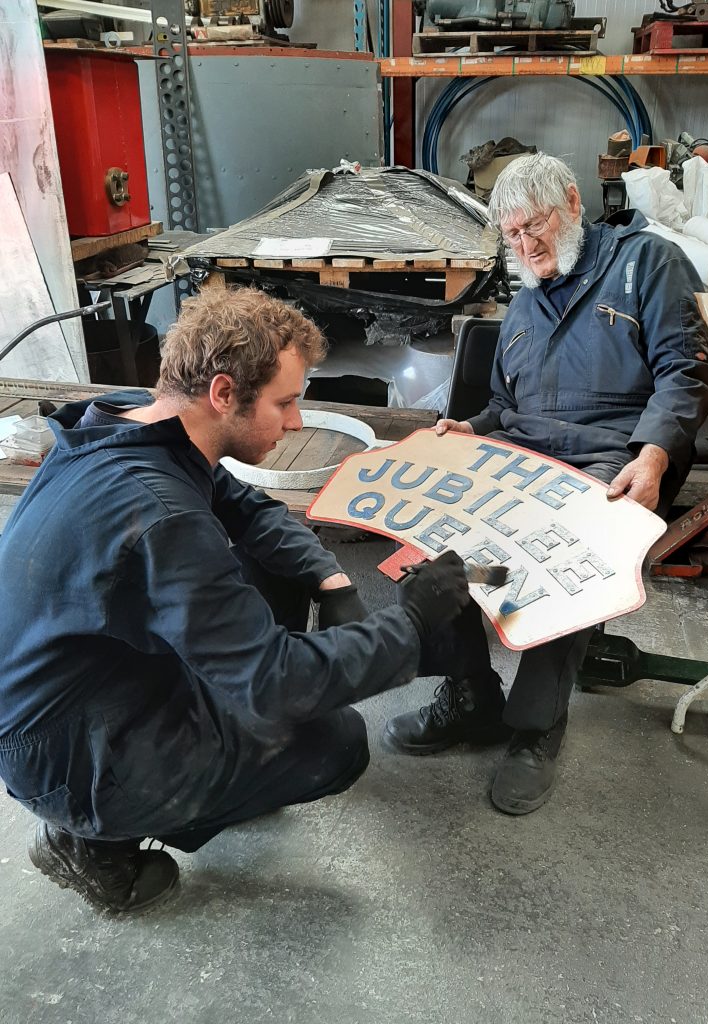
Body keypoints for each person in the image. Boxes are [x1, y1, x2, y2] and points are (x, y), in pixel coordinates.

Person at [0, 287, 471, 914]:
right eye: (286, 402)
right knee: (334, 743)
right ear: (223, 393)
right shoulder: (162, 516)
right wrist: (408, 624)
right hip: (67, 751)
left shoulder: (139, 418)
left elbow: (245, 506)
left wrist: (331, 579)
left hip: (76, 682)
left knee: (273, 567)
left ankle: (208, 772)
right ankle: (89, 839)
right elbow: (280, 683)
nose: (297, 422)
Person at [384, 153, 708, 815]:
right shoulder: (526, 295)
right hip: (523, 453)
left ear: (572, 201)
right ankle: (471, 695)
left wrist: (655, 456)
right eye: (511, 236)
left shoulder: (644, 262)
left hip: (613, 457)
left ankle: (536, 728)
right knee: (431, 549)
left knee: (558, 552)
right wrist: (472, 430)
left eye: (534, 225)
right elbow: (507, 408)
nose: (525, 245)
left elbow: (689, 373)